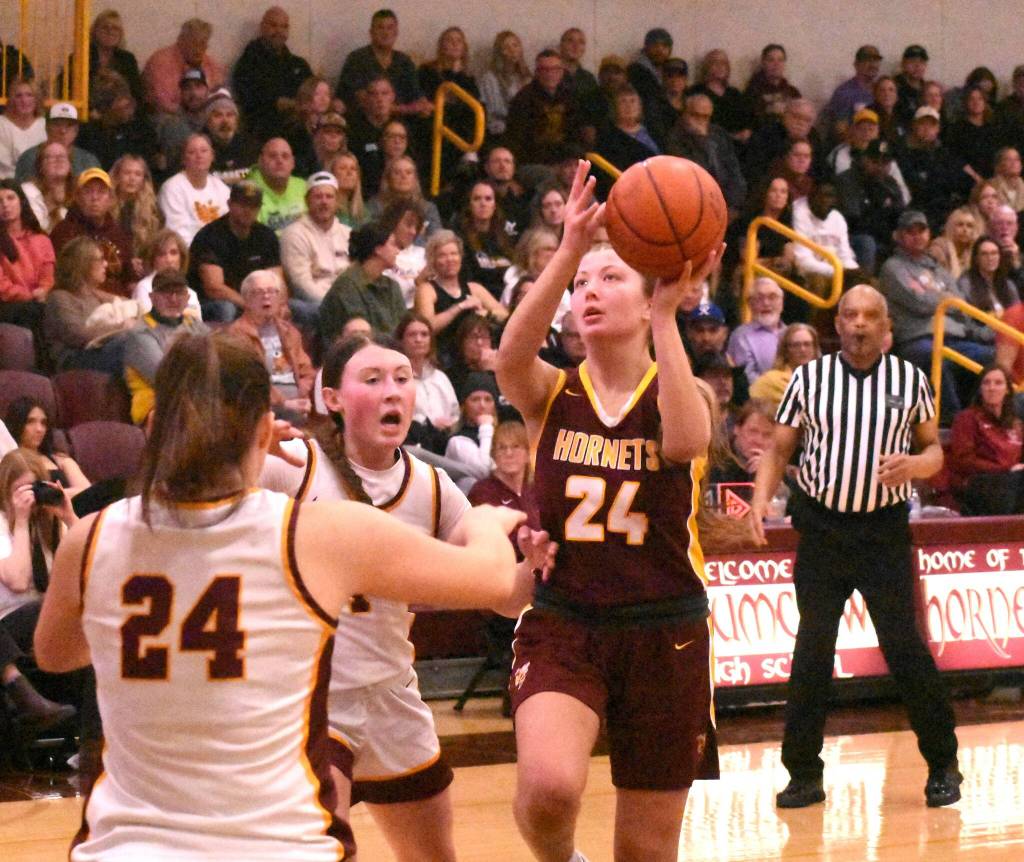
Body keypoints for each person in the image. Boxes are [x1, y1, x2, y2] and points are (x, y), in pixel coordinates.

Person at [33, 331, 531, 861]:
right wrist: (486, 522)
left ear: (154, 427)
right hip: (276, 842)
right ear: (264, 429)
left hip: (126, 848)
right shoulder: (319, 532)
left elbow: (55, 654)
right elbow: (496, 581)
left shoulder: (90, 539)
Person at [495, 160, 721, 862]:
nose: (590, 291)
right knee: (548, 789)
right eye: (582, 285)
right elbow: (508, 359)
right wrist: (569, 250)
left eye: (611, 277)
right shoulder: (550, 394)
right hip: (567, 619)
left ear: (648, 296)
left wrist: (668, 316)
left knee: (646, 852)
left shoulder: (682, 393)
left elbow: (685, 443)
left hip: (666, 631)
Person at [750, 284, 961, 810]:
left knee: (904, 647)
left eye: (870, 315)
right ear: (837, 324)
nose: (860, 324)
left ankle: (943, 764)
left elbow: (933, 450)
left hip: (883, 532)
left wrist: (915, 465)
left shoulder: (910, 379)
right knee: (812, 649)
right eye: (850, 315)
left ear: (886, 326)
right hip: (822, 530)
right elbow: (778, 449)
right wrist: (758, 501)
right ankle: (803, 774)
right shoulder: (808, 379)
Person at [880, 210, 993, 422]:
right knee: (934, 356)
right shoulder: (893, 267)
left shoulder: (939, 270)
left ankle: (977, 416)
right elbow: (918, 303)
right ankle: (951, 420)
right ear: (899, 236)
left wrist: (944, 302)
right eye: (910, 231)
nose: (917, 236)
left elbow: (961, 305)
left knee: (990, 356)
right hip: (918, 338)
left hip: (954, 337)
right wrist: (946, 300)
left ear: (929, 234)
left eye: (921, 230)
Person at [0, 448, 78, 735]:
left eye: (34, 489)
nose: (29, 499)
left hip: (47, 622)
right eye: (21, 491)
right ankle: (22, 695)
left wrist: (69, 517)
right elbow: (18, 581)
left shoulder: (50, 524)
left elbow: (90, 568)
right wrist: (20, 523)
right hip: (9, 626)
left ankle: (92, 743)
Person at [187, 180, 280, 323]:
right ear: (229, 204)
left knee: (295, 308)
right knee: (226, 308)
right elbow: (214, 288)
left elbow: (277, 281)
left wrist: (278, 304)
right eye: (242, 205)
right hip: (211, 303)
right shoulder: (210, 236)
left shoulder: (266, 236)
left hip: (255, 301)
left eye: (253, 206)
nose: (248, 210)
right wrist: (252, 306)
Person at [123, 269, 208, 424]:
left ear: (187, 298)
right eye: (165, 293)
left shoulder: (194, 324)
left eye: (179, 293)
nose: (173, 299)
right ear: (152, 297)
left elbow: (218, 359)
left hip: (196, 399)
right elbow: (166, 378)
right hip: (156, 408)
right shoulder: (140, 333)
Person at [226, 270, 314, 420]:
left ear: (279, 298)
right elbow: (248, 382)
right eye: (258, 292)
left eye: (272, 291)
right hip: (261, 405)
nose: (266, 296)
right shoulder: (236, 335)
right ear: (246, 300)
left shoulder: (289, 331)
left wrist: (302, 393)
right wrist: (284, 403)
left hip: (294, 400)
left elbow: (306, 370)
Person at [42, 235, 135, 373]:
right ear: (83, 264)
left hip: (101, 352)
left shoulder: (94, 294)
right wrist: (121, 327)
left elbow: (129, 303)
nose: (106, 264)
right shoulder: (59, 297)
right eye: (100, 259)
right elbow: (77, 335)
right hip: (74, 361)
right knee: (127, 343)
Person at [414, 229, 507, 364]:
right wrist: (460, 307)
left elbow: (504, 315)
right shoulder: (427, 290)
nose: (450, 259)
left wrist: (486, 313)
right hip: (444, 357)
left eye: (454, 254)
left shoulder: (474, 288)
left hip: (475, 355)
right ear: (433, 260)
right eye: (442, 255)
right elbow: (426, 327)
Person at [946, 364, 1024, 515]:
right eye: (986, 383)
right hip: (981, 482)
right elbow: (964, 460)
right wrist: (1005, 469)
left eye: (998, 383)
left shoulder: (1016, 423)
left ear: (1008, 390)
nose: (991, 388)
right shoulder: (967, 418)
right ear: (980, 389)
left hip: (1014, 480)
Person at [50, 167, 135, 297]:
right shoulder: (64, 232)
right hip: (79, 300)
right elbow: (64, 280)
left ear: (111, 199)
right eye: (88, 191)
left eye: (101, 192)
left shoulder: (119, 234)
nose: (95, 198)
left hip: (119, 301)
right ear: (77, 197)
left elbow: (130, 278)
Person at [232, 6, 313, 142]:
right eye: (273, 25)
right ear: (262, 27)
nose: (279, 31)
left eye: (284, 26)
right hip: (262, 135)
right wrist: (280, 103)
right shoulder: (248, 63)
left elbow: (314, 93)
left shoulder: (299, 65)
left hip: (300, 132)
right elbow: (250, 99)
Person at [320, 220, 404, 343]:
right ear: (378, 249)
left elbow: (403, 328)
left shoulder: (392, 286)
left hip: (391, 350)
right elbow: (359, 336)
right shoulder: (347, 287)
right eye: (392, 244)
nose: (397, 251)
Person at [665, 92, 746, 216]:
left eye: (705, 117)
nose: (701, 121)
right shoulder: (676, 138)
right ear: (685, 113)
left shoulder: (718, 134)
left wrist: (734, 204)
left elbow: (734, 169)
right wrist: (701, 139)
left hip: (727, 202)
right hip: (697, 203)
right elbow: (697, 174)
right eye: (696, 115)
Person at [280, 170, 352, 307]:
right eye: (318, 197)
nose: (324, 202)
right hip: (315, 304)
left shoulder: (348, 233)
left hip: (350, 300)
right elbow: (301, 284)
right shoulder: (294, 234)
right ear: (307, 201)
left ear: (337, 201)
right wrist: (336, 306)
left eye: (329, 197)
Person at [835, 139, 905, 274]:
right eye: (875, 162)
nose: (880, 167)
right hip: (854, 238)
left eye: (885, 163)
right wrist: (887, 229)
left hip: (884, 237)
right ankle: (865, 282)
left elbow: (901, 215)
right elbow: (854, 221)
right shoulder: (848, 180)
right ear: (864, 159)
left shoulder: (890, 184)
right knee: (867, 243)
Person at [898, 106, 973, 230]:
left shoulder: (945, 153)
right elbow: (916, 186)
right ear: (914, 126)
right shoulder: (903, 154)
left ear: (938, 129)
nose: (927, 129)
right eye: (922, 124)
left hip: (947, 208)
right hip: (919, 210)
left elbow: (962, 179)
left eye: (931, 125)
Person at [505, 50, 581, 170]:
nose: (550, 74)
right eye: (544, 70)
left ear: (562, 72)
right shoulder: (523, 98)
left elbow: (575, 133)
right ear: (536, 73)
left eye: (555, 69)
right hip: (534, 160)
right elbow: (518, 140)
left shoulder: (571, 96)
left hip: (566, 158)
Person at [396, 312, 460, 448]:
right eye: (412, 335)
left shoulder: (440, 377)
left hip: (445, 441)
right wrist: (430, 425)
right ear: (401, 341)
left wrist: (450, 425)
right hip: (413, 444)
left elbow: (456, 414)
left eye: (424, 334)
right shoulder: (396, 380)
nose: (418, 339)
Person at [4, 397, 90, 495]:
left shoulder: (60, 460)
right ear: (17, 424)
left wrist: (53, 495)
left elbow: (87, 491)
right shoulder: (8, 463)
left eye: (43, 423)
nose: (39, 429)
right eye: (30, 421)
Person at [0, 179, 55, 332]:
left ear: (22, 202)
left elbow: (48, 277)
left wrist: (43, 290)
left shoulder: (42, 240)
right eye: (0, 201)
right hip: (7, 305)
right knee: (32, 311)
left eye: (10, 198)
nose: (5, 204)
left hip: (39, 300)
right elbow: (2, 287)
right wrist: (30, 295)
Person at [157, 133, 230, 245]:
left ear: (212, 156)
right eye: (192, 152)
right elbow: (178, 235)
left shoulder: (221, 187)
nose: (199, 155)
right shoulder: (172, 188)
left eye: (204, 151)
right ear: (183, 159)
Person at [76, 70, 158, 170]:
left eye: (127, 95)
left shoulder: (142, 131)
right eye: (120, 98)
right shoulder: (88, 136)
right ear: (105, 107)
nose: (129, 103)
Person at [142, 18, 225, 115]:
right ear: (181, 41)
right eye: (194, 43)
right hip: (166, 116)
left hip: (201, 114)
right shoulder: (161, 62)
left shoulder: (210, 64)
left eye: (203, 43)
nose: (198, 49)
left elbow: (220, 95)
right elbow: (164, 104)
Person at [453, 180, 516, 299]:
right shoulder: (460, 240)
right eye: (477, 199)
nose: (483, 203)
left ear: (495, 205)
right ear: (469, 205)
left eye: (488, 199)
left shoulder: (507, 238)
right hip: (477, 300)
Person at [14, 103, 100, 185]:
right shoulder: (30, 158)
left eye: (69, 125)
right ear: (47, 127)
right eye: (57, 124)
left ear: (76, 130)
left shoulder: (88, 161)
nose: (63, 131)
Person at [445, 372, 500, 492]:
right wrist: (485, 427)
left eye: (488, 399)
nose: (482, 405)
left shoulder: (503, 435)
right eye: (475, 399)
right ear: (464, 405)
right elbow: (483, 472)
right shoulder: (457, 441)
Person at [688, 49, 753, 148]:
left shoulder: (734, 93)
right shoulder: (696, 92)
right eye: (715, 62)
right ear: (707, 67)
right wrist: (731, 137)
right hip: (710, 144)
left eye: (724, 63)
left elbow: (747, 118)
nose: (720, 66)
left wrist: (747, 131)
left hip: (738, 145)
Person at [749, 322, 820, 411]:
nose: (802, 349)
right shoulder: (769, 381)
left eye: (807, 344)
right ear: (785, 350)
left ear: (815, 348)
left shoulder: (826, 379)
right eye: (796, 345)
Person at [727, 276, 784, 384]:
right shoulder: (741, 336)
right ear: (750, 304)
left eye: (772, 297)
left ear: (781, 302)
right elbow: (747, 377)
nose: (766, 303)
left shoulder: (792, 333)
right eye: (759, 298)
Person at [133, 228, 200, 318]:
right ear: (153, 259)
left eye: (173, 253)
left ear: (181, 257)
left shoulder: (191, 294)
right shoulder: (144, 287)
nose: (169, 260)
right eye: (161, 254)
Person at [479, 31, 532, 139]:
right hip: (501, 129)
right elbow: (495, 110)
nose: (513, 51)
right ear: (500, 52)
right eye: (506, 48)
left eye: (515, 45)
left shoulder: (526, 76)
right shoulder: (490, 78)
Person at [822, 45, 883, 139]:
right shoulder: (844, 93)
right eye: (867, 60)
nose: (873, 65)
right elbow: (840, 131)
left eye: (876, 60)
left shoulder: (882, 90)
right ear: (856, 65)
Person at [248, 137, 307, 233]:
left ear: (293, 163)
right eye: (272, 156)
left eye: (285, 156)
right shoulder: (248, 192)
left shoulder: (303, 186)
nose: (279, 161)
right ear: (260, 161)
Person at [710, 399, 775, 484]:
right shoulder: (717, 463)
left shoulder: (777, 466)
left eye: (767, 435)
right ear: (737, 429)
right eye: (753, 431)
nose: (759, 441)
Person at [109, 154, 161, 261]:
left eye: (138, 174)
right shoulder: (106, 207)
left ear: (144, 179)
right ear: (117, 176)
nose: (132, 179)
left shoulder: (154, 211)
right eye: (127, 173)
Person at [945, 85, 1001, 181]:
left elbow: (999, 154)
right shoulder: (957, 128)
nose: (976, 102)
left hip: (993, 178)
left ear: (985, 102)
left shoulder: (993, 127)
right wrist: (976, 178)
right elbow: (955, 158)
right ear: (966, 102)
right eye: (972, 99)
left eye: (980, 99)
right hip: (967, 178)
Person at [204, 88, 258, 186]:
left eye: (230, 115)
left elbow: (255, 173)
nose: (225, 121)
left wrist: (240, 177)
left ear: (237, 121)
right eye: (218, 115)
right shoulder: (199, 149)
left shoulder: (250, 147)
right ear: (208, 122)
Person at [20, 140, 74, 232]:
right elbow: (33, 229)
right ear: (40, 166)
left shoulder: (78, 193)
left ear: (70, 165)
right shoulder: (28, 191)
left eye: (62, 156)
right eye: (50, 157)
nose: (58, 160)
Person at [744, 43, 801, 127]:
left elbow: (800, 118)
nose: (776, 64)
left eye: (780, 60)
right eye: (771, 60)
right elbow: (751, 123)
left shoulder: (793, 92)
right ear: (763, 63)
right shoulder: (752, 92)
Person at [0, 76, 46, 179]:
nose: (24, 100)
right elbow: (5, 165)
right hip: (6, 181)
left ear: (37, 99)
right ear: (12, 100)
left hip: (39, 181)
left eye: (29, 95)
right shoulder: (2, 124)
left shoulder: (44, 125)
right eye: (18, 96)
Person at [927, 207, 981, 280]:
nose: (965, 230)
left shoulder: (973, 251)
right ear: (951, 227)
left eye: (969, 226)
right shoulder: (938, 250)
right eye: (960, 225)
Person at [894, 45, 930, 125]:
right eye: (912, 61)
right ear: (903, 64)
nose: (917, 65)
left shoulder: (928, 89)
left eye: (921, 62)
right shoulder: (893, 87)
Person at [331, 153, 368, 228]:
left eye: (353, 169)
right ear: (332, 174)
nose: (349, 173)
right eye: (343, 168)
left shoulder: (363, 213)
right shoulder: (327, 210)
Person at [991, 147, 1024, 214]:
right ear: (999, 165)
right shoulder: (990, 187)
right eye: (1008, 159)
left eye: (1017, 159)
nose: (1014, 163)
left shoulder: (1022, 186)